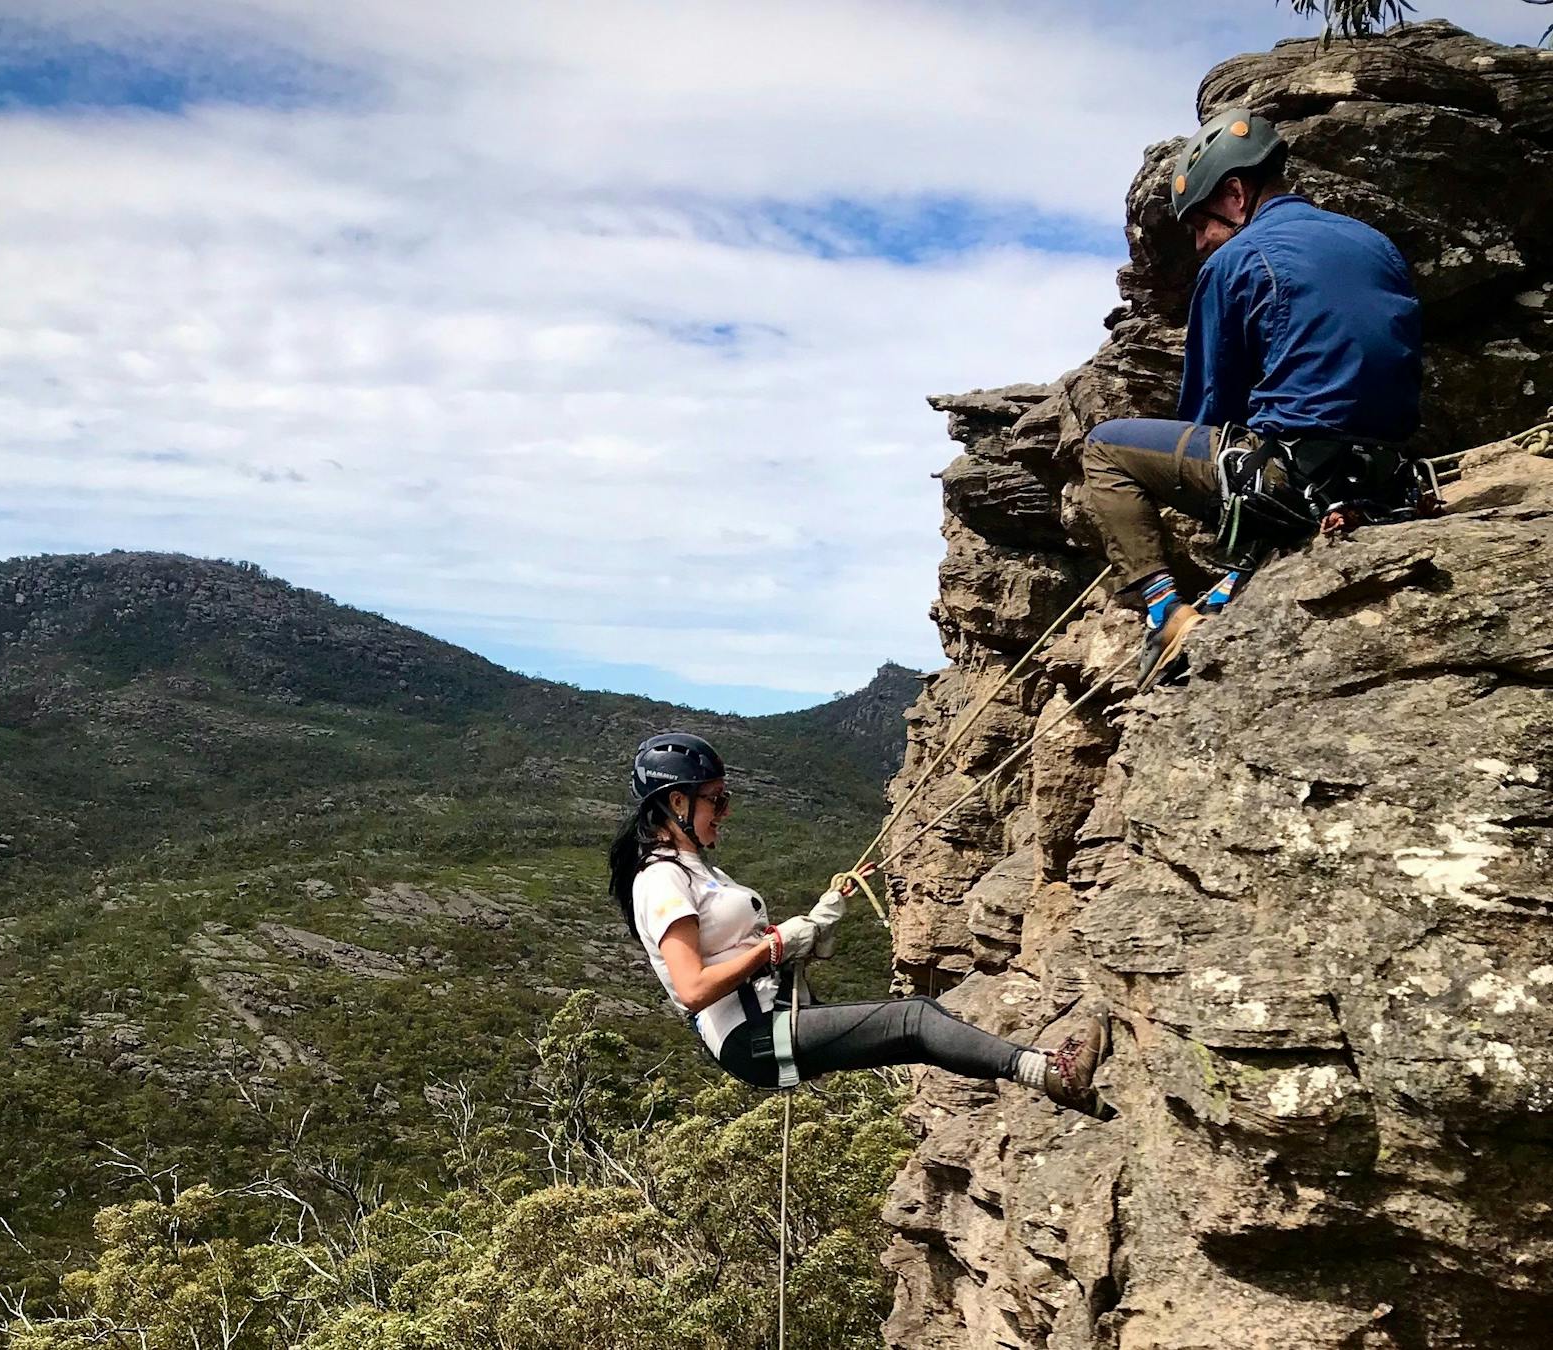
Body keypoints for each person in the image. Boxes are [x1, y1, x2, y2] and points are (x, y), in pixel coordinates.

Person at [1080, 107, 1427, 688]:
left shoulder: (1235, 260)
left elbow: (1212, 404)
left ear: (1235, 194)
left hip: (1295, 479)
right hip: (1385, 476)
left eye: (1200, 225)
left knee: (1105, 448)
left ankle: (1165, 611)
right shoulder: (1375, 242)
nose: (1198, 243)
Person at [607, 731, 1106, 1114]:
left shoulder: (699, 870)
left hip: (767, 1018)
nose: (726, 812)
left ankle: (1070, 1086)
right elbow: (693, 987)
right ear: (678, 802)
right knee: (915, 1021)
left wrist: (816, 920)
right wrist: (775, 948)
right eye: (716, 799)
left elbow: (740, 946)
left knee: (920, 1017)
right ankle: (1053, 1075)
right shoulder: (661, 880)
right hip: (751, 1036)